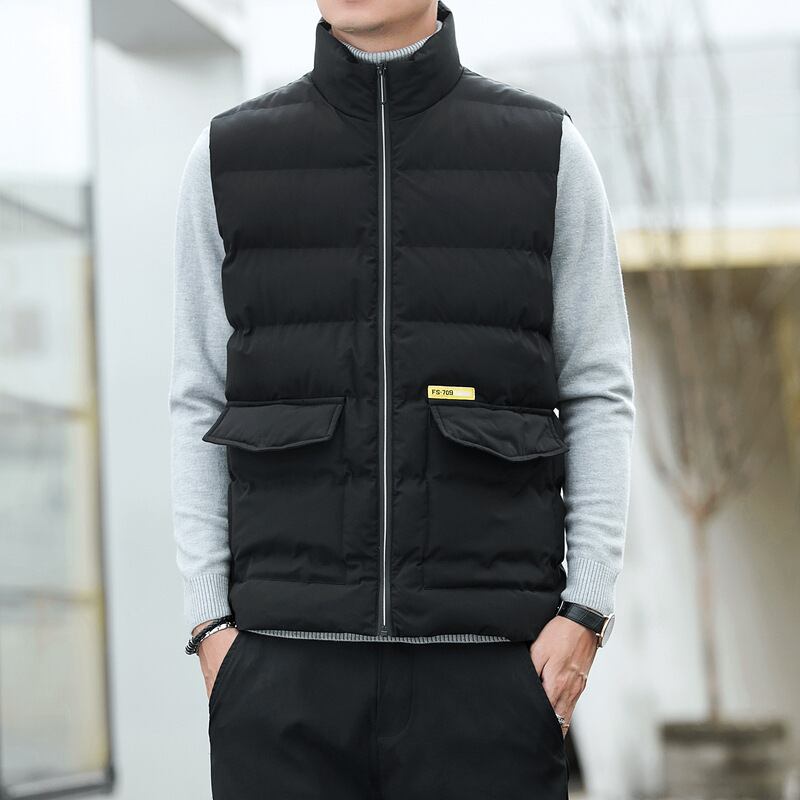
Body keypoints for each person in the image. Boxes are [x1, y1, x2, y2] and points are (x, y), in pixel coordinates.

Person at [169, 1, 635, 797]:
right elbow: (197, 396)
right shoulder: (227, 157)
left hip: (489, 675)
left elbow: (596, 388)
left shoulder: (546, 151)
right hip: (281, 677)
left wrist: (585, 610)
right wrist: (211, 625)